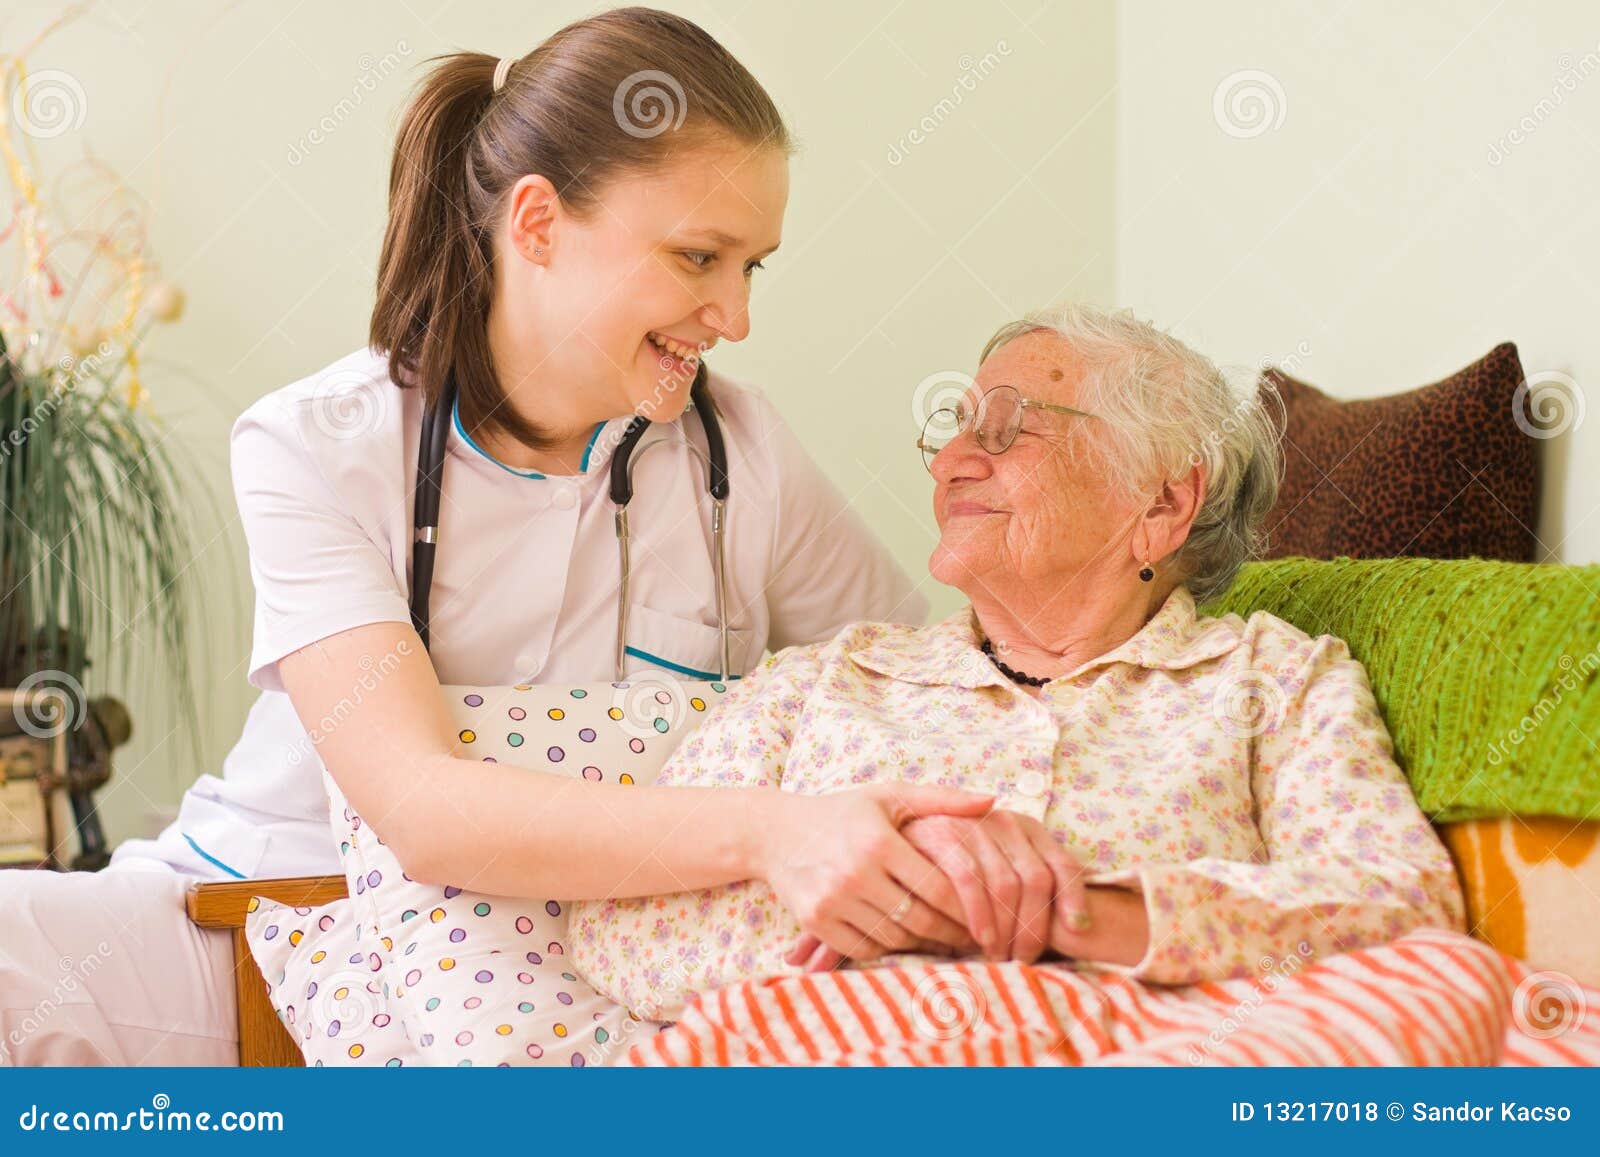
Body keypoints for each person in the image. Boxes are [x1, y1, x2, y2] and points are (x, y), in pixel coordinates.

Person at [0, 7, 987, 1066]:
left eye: (754, 267)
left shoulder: (744, 459)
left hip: (582, 957)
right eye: (699, 256)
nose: (734, 316)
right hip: (268, 912)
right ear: (536, 224)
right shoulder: (318, 446)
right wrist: (769, 829)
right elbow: (420, 810)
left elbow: (921, 695)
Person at [567, 303, 1468, 1026]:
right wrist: (893, 891)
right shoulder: (825, 680)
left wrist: (1078, 914)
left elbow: (1401, 906)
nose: (953, 461)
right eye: (954, 430)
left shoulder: (1274, 681)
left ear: (1161, 499)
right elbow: (610, 923)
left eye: (1005, 432)